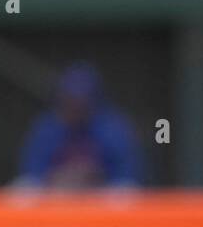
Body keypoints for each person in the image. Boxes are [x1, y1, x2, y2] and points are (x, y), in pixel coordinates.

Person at [15, 63, 143, 190]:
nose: (76, 106)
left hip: (101, 195)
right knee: (23, 188)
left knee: (127, 190)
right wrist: (64, 177)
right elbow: (33, 172)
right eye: (70, 100)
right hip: (56, 193)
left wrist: (93, 178)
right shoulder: (48, 127)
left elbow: (127, 175)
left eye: (81, 101)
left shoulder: (113, 128)